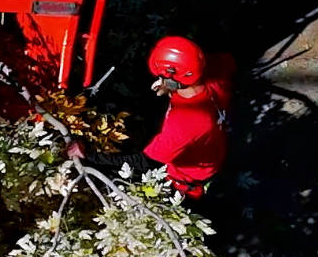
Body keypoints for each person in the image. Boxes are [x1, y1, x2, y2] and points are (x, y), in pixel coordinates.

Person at [71, 35, 235, 200]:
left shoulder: (184, 123)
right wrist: (169, 88)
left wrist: (89, 155)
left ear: (173, 76)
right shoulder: (214, 71)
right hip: (210, 152)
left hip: (184, 180)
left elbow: (144, 161)